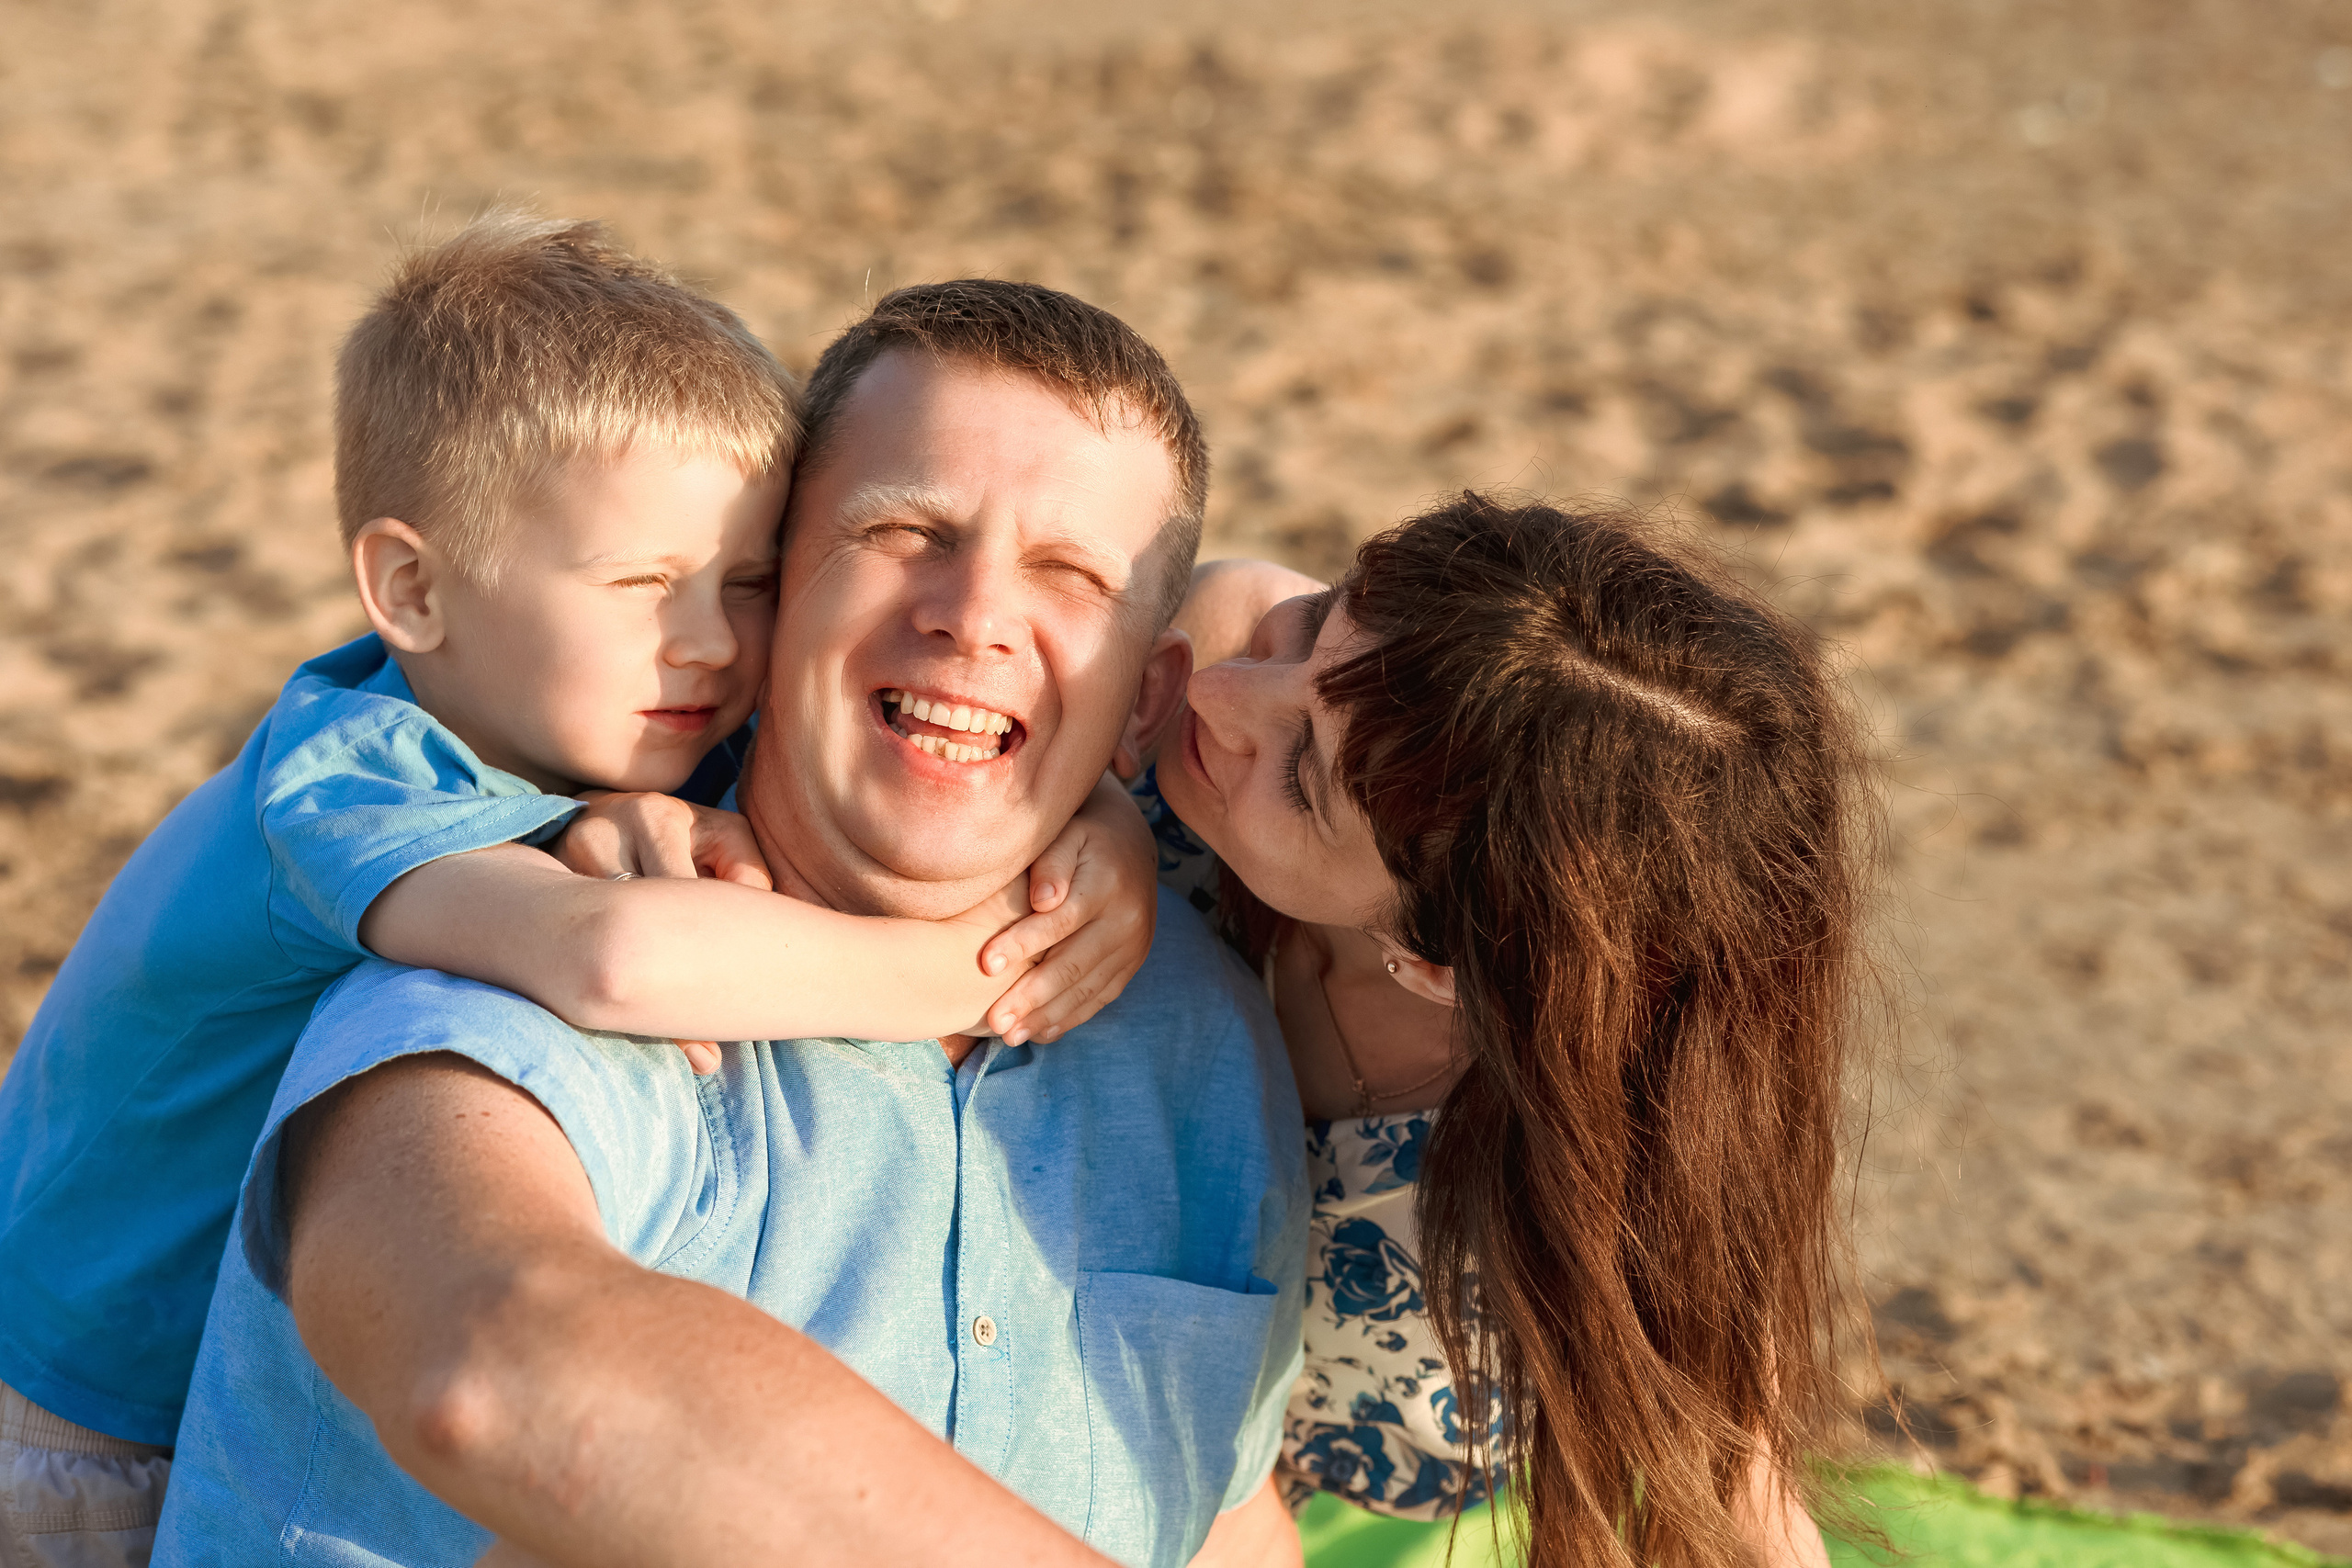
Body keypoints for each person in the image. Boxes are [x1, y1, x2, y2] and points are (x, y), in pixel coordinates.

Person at [0, 220, 1154, 1563]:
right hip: (82, 1413)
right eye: (644, 584)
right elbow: (611, 959)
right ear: (412, 588)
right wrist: (986, 957)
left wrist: (1107, 827)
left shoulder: (617, 705)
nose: (711, 642)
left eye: (747, 582)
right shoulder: (342, 783)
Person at [1143, 492, 1876, 1568]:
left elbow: (1737, 1480)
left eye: (1300, 776)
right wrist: (1101, 836)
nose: (1217, 691)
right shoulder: (1212, 647)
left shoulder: (1623, 1143)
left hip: (1353, 1430)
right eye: (1315, 622)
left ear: (1440, 967)